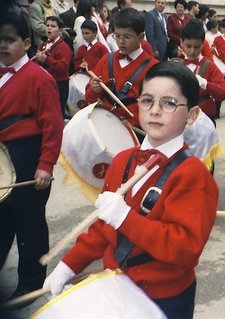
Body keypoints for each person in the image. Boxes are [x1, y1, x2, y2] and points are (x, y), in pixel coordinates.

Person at [43, 61, 218, 319]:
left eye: (169, 103)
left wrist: (125, 218)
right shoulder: (122, 159)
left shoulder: (194, 175)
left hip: (164, 298)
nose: (155, 111)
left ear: (191, 115)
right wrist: (68, 266)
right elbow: (104, 228)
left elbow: (185, 249)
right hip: (115, 288)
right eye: (147, 100)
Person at [0, 11, 64, 308]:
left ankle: (30, 285)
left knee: (29, 224)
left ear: (26, 43)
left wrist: (46, 164)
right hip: (2, 159)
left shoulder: (40, 78)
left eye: (9, 40)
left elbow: (53, 124)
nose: (2, 46)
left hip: (28, 156)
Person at [85, 8, 158, 128]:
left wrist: (135, 122)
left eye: (127, 37)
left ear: (141, 37)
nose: (121, 42)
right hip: (104, 124)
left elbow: (155, 107)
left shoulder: (153, 68)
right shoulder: (106, 60)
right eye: (117, 36)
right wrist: (94, 89)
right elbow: (89, 98)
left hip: (134, 130)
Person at [181, 20, 225, 123]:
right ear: (181, 43)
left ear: (202, 44)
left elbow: (223, 93)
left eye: (196, 47)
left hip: (204, 118)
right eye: (188, 46)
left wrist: (205, 84)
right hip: (182, 118)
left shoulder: (209, 66)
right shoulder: (177, 65)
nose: (192, 51)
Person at [35, 16, 73, 120]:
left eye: (53, 26)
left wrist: (46, 59)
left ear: (60, 30)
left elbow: (63, 67)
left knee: (57, 113)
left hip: (59, 84)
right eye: (47, 26)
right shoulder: (42, 45)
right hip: (44, 83)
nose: (49, 28)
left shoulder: (63, 47)